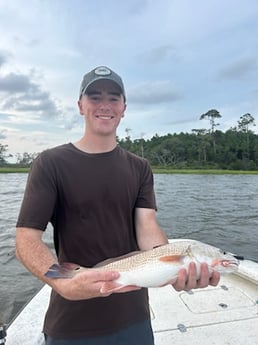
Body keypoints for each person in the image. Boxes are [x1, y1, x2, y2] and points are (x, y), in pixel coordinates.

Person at [16, 66, 220, 345]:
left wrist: (177, 266)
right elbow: (26, 238)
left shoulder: (140, 167)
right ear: (80, 106)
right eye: (95, 97)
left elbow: (147, 227)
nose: (105, 105)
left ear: (124, 108)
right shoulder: (50, 163)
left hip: (135, 318)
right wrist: (63, 283)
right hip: (72, 323)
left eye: (113, 98)